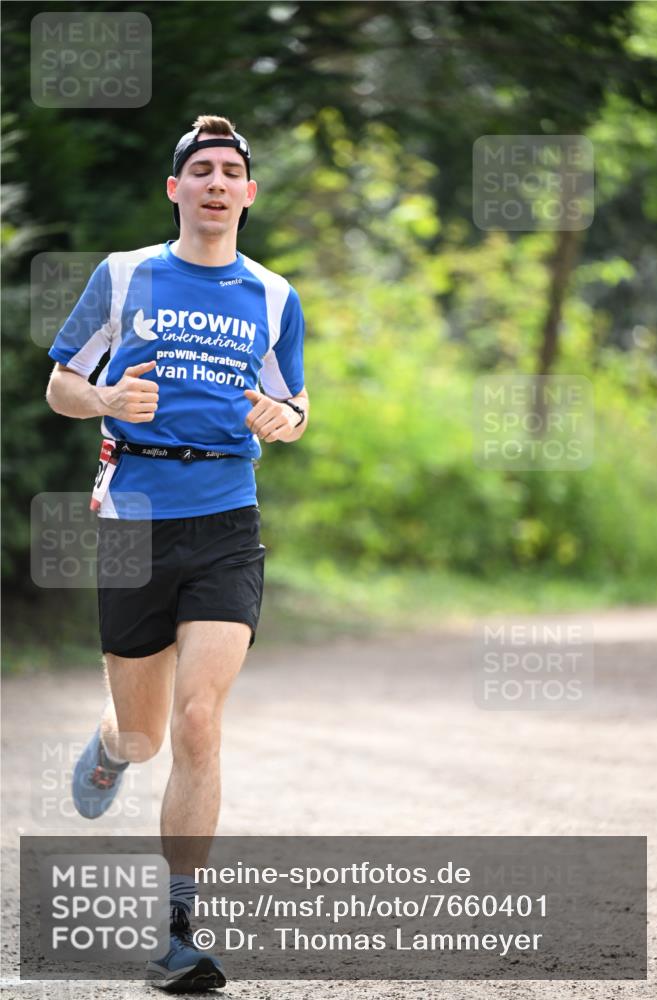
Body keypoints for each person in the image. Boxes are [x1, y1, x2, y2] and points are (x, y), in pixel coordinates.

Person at [45, 114, 309, 991]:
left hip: (228, 517)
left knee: (200, 720)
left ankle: (177, 930)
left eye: (232, 170)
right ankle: (111, 747)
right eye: (200, 169)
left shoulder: (273, 296)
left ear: (249, 192)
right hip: (134, 516)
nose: (216, 183)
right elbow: (61, 384)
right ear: (175, 189)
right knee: (146, 733)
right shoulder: (125, 276)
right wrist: (107, 394)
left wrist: (287, 418)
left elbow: (293, 404)